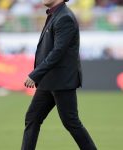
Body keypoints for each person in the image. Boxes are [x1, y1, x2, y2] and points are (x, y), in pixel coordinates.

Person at [22, 0, 97, 149]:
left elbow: (57, 53)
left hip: (62, 81)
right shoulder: (56, 15)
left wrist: (35, 74)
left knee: (71, 123)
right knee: (32, 118)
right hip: (48, 81)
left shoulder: (65, 17)